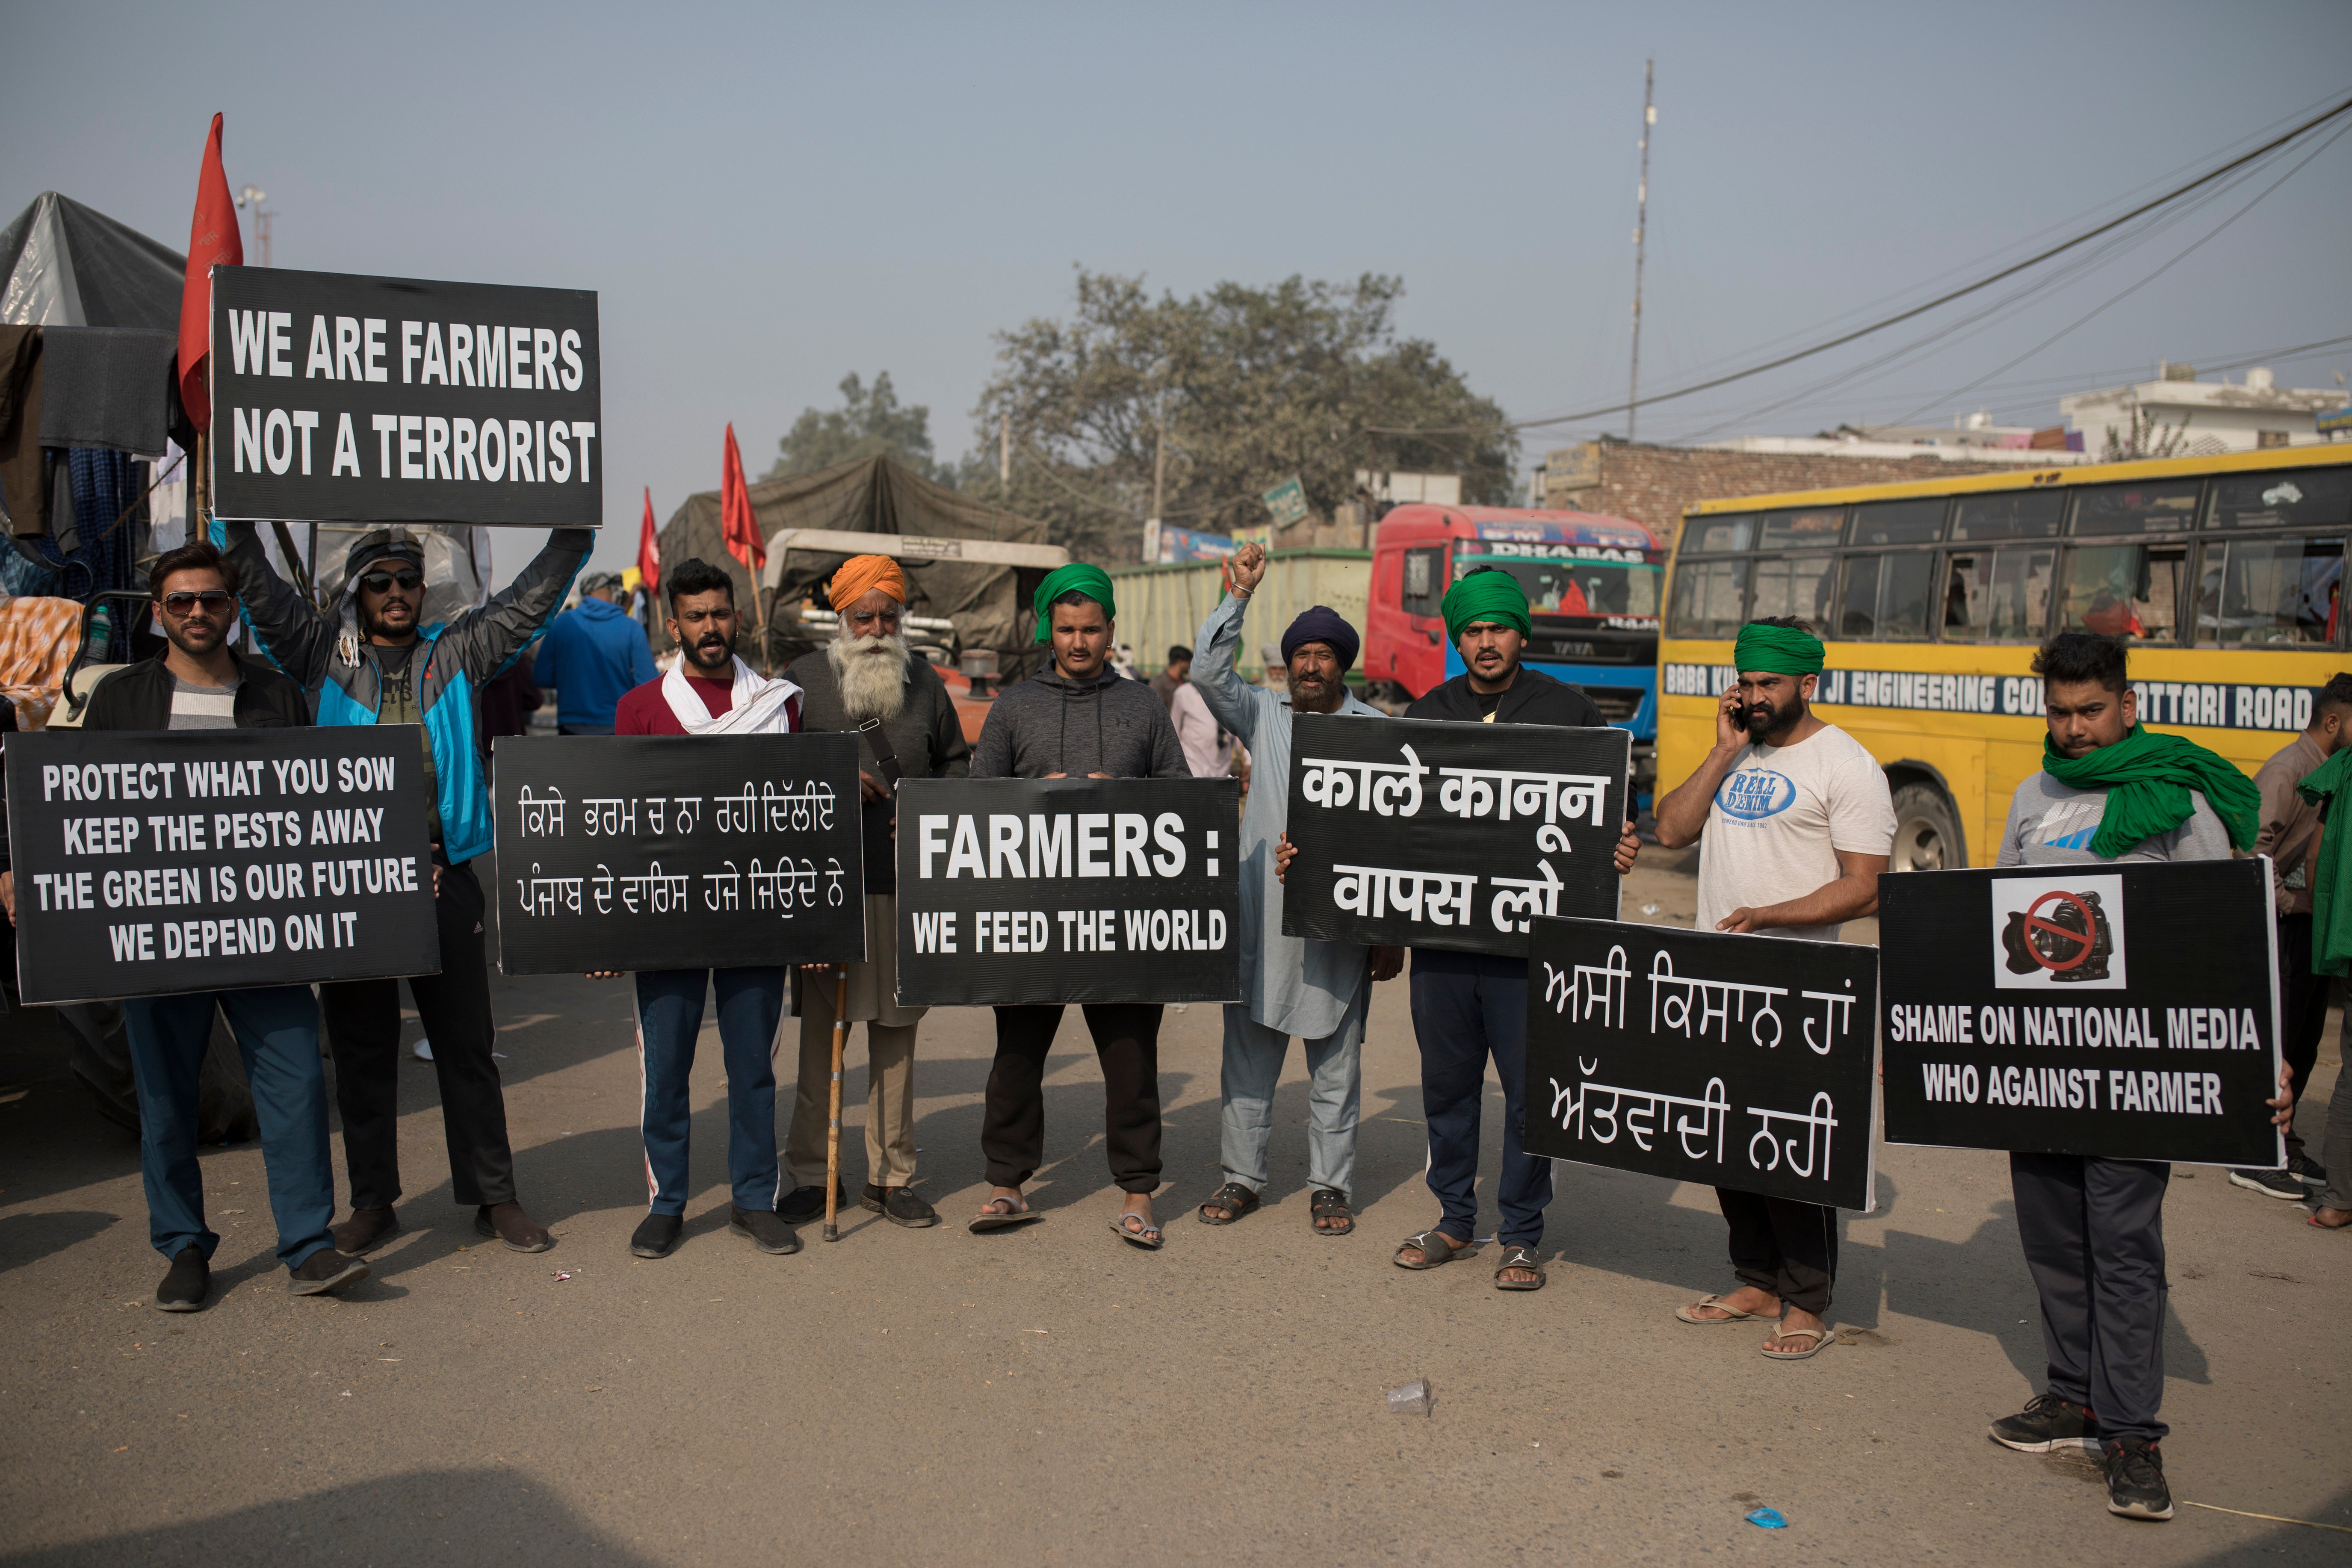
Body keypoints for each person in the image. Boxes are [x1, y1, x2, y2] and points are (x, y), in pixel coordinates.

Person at [1982, 631, 2289, 1523]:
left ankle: (2129, 1435)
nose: (2071, 729)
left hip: (2135, 1068)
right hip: (2039, 1067)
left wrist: (2258, 1048)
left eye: (2087, 711)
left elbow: (2219, 932)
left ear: (2125, 705)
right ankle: (2072, 1395)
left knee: (2121, 1246)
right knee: (2051, 1239)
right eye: (2057, 712)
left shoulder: (2174, 796)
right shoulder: (2031, 795)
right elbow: (1995, 919)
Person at [225, 519, 593, 1256]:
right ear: (359, 592)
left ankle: (494, 1195)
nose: (396, 593)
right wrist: (235, 517)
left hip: (444, 874)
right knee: (361, 1046)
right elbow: (261, 594)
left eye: (407, 580)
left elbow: (529, 604)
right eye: (380, 582)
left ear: (424, 590)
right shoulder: (321, 653)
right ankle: (373, 1202)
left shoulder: (457, 652)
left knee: (466, 1042)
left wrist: (571, 536)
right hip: (355, 880)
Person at [84, 541, 371, 1307]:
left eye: (212, 599)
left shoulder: (279, 695)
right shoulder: (117, 700)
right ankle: (183, 1247)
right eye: (181, 601)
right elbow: (72, 806)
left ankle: (309, 1244)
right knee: (165, 1097)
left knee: (298, 1083)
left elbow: (315, 811)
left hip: (264, 932)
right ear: (158, 614)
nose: (198, 612)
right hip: (160, 931)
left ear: (233, 607)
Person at [1385, 567, 1639, 1290]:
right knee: (1448, 1086)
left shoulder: (1570, 713)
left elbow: (1607, 815)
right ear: (1457, 637)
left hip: (1531, 950)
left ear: (1521, 633)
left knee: (1533, 1092)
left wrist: (1620, 842)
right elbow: (1383, 821)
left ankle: (1521, 1233)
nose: (1486, 641)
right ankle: (1454, 1219)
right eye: (1472, 630)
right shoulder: (1428, 715)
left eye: (1498, 628)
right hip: (1445, 944)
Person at [1650, 616, 1894, 1357]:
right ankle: (1755, 1280)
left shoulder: (1845, 765)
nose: (1754, 696)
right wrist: (1723, 750)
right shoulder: (1737, 752)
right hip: (1718, 979)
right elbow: (1669, 832)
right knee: (1726, 1137)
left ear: (1808, 684)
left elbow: (1867, 889)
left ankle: (1807, 1300)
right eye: (1746, 682)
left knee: (1793, 1148)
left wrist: (1768, 917)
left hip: (1801, 988)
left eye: (1769, 684)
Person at [968, 563, 1188, 1247]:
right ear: (1048, 630)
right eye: (1066, 629)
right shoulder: (1012, 708)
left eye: (1092, 629)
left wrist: (1118, 796)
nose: (1079, 641)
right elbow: (977, 805)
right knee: (1017, 1058)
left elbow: (1181, 800)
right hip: (1032, 916)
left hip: (1123, 921)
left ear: (1112, 631)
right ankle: (1006, 1186)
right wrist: (1040, 796)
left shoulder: (1145, 706)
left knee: (1131, 1061)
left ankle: (1138, 1192)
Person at [595, 557, 803, 1258]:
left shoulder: (780, 705)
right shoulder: (641, 709)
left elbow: (801, 817)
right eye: (695, 616)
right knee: (667, 1067)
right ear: (672, 623)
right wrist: (606, 933)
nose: (710, 628)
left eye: (720, 613)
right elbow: (618, 825)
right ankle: (668, 1201)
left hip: (754, 915)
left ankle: (753, 1197)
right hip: (667, 918)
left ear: (736, 615)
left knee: (752, 1067)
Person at [1190, 545, 1399, 1235]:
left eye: (1324, 655)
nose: (1311, 666)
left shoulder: (1380, 736)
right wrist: (1240, 596)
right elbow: (1207, 671)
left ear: (1345, 664)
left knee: (1336, 1068)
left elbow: (1402, 841)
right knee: (1248, 1059)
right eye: (1301, 654)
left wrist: (1389, 929)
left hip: (1339, 930)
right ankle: (1242, 1178)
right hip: (1263, 920)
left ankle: (1329, 1187)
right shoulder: (1264, 715)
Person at [777, 553, 969, 1231]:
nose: (879, 627)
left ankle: (892, 1178)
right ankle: (807, 1173)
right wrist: (830, 779)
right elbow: (767, 774)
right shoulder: (799, 683)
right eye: (865, 615)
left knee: (896, 1037)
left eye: (890, 614)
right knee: (819, 1043)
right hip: (824, 890)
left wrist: (925, 802)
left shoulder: (926, 684)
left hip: (901, 886)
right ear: (841, 617)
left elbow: (956, 762)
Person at [2236, 675, 2352, 1199]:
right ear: (2334, 722)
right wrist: (2286, 900)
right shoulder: (2289, 768)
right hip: (2279, 927)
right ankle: (2256, 1151)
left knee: (2304, 1040)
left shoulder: (2333, 771)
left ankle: (2284, 1138)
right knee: (2277, 1038)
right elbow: (2248, 846)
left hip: (2308, 926)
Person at [534, 570, 656, 735]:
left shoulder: (562, 623)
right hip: (618, 726)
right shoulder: (632, 628)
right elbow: (649, 683)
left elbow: (541, 676)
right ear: (614, 592)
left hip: (571, 727)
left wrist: (572, 681)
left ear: (587, 594)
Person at [1168, 678, 1232, 780]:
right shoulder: (1184, 693)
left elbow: (1239, 727)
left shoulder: (1229, 692)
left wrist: (1247, 761)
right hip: (1193, 761)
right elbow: (1174, 729)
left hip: (1222, 764)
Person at [1150, 645, 1191, 712]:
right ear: (1180, 662)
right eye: (1188, 662)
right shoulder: (1159, 683)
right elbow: (1156, 709)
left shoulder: (1186, 683)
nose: (1190, 666)